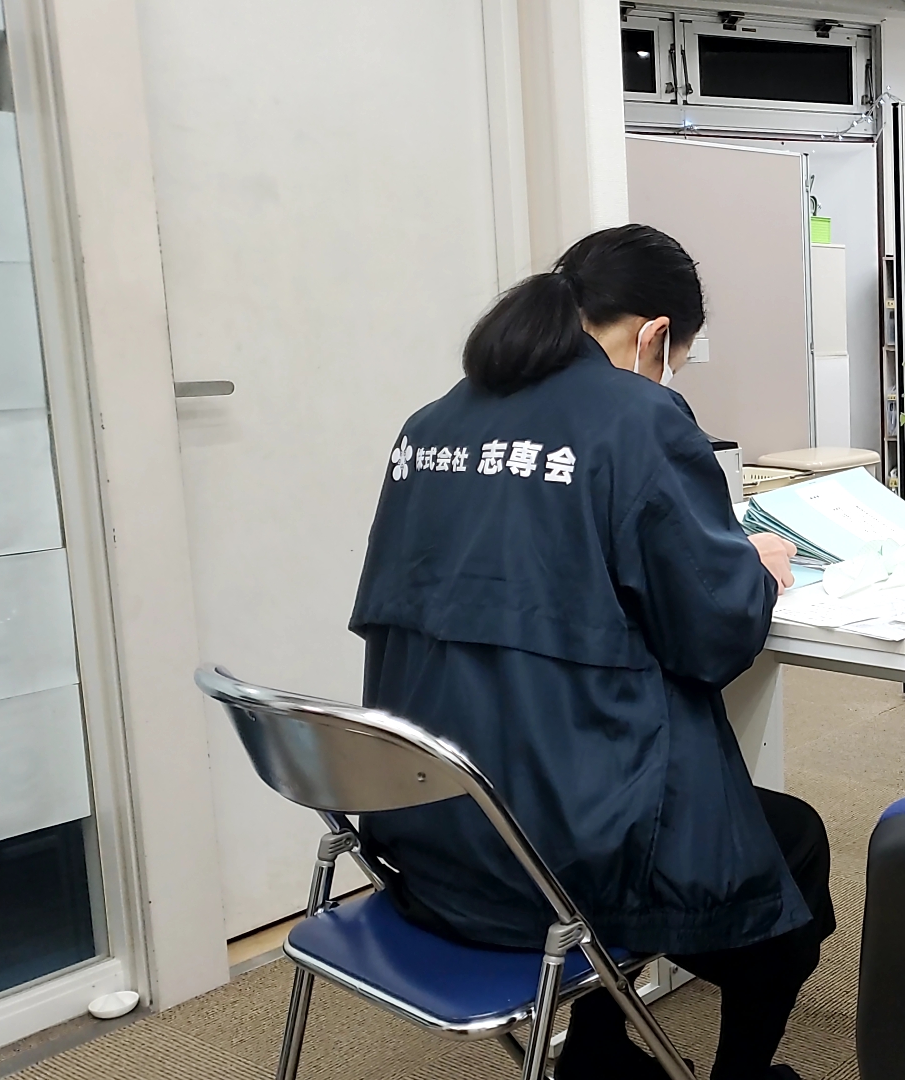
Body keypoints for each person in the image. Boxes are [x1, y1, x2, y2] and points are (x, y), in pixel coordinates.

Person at [350, 224, 831, 1080]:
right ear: (655, 336)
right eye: (678, 359)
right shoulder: (637, 418)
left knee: (628, 781)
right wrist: (751, 567)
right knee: (791, 851)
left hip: (425, 837)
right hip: (561, 861)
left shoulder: (430, 426)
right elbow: (712, 637)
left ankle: (600, 1052)